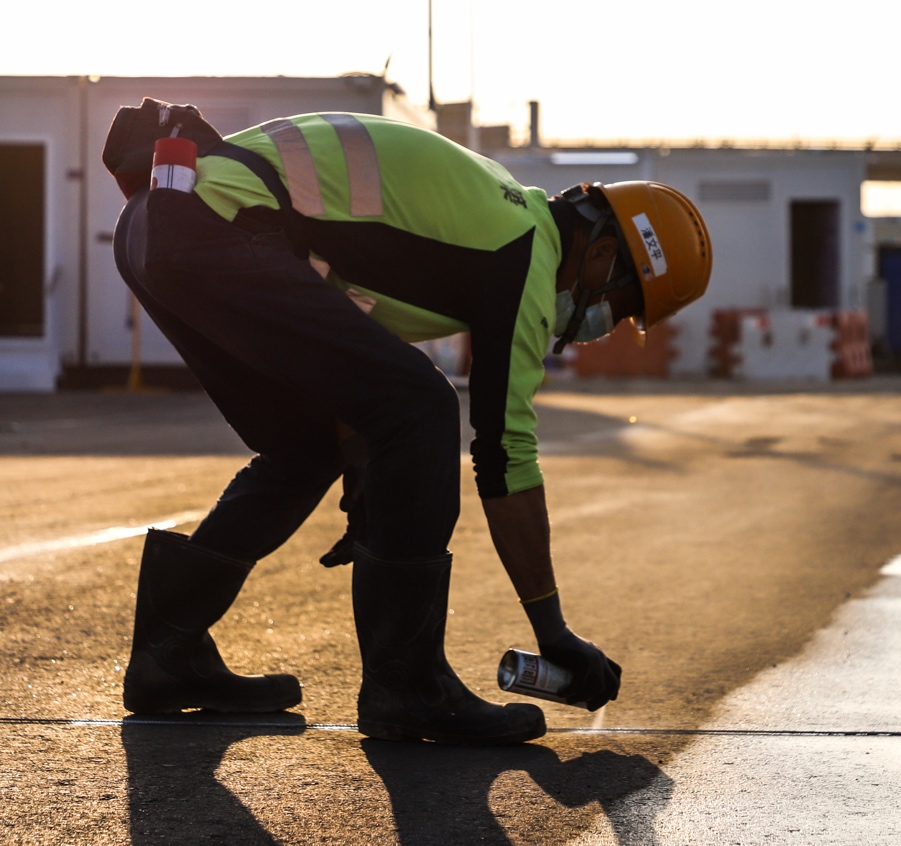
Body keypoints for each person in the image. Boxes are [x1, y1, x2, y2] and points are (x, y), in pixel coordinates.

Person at [110, 111, 713, 745]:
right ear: (603, 253)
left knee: (304, 448)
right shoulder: (523, 249)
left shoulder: (467, 219)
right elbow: (505, 454)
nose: (606, 327)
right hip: (219, 228)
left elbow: (347, 361)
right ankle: (408, 684)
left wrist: (372, 488)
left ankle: (167, 656)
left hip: (162, 226)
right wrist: (553, 631)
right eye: (621, 307)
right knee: (425, 406)